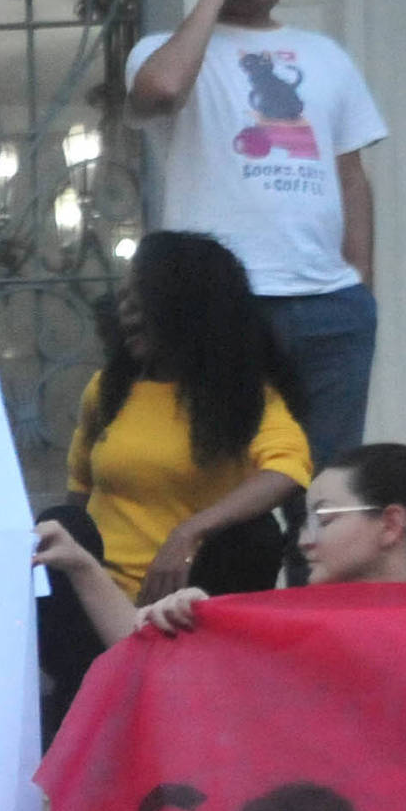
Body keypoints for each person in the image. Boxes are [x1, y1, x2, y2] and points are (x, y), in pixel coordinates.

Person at [127, 0, 387, 545]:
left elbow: (351, 175)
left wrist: (359, 285)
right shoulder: (163, 50)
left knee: (330, 502)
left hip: (328, 306)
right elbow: (161, 92)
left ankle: (318, 625)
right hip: (224, 306)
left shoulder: (326, 56)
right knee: (215, 487)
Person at [65, 230, 311, 607]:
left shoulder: (245, 397)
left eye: (140, 296)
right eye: (123, 297)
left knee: (255, 536)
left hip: (187, 599)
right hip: (100, 601)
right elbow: (79, 490)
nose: (125, 310)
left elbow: (288, 471)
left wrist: (190, 533)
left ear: (187, 305)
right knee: (57, 527)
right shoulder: (106, 389)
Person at [47, 442, 406, 646]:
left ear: (391, 524)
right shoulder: (300, 630)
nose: (306, 541)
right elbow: (149, 664)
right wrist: (81, 565)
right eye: (304, 521)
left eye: (323, 519)